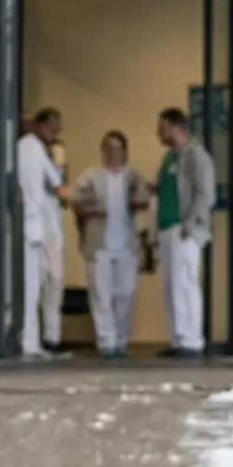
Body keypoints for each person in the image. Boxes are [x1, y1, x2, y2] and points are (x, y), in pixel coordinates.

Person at [74, 129, 151, 358]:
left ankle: (121, 338)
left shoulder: (132, 176)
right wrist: (94, 210)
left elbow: (144, 200)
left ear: (125, 152)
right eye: (108, 148)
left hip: (126, 245)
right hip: (99, 245)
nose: (113, 153)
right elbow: (77, 204)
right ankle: (106, 340)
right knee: (101, 295)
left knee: (126, 293)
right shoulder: (91, 176)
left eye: (117, 149)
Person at [153, 107, 217, 358]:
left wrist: (190, 224)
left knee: (185, 283)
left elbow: (205, 193)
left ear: (176, 127)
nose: (158, 133)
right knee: (171, 285)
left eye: (162, 127)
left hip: (185, 229)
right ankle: (178, 337)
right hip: (167, 228)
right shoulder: (169, 158)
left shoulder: (196, 156)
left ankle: (192, 339)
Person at [15, 107, 72, 360]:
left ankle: (33, 339)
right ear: (39, 124)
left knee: (36, 287)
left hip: (35, 226)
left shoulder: (25, 148)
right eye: (52, 128)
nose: (54, 134)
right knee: (31, 288)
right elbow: (59, 187)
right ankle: (29, 342)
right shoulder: (32, 147)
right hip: (34, 226)